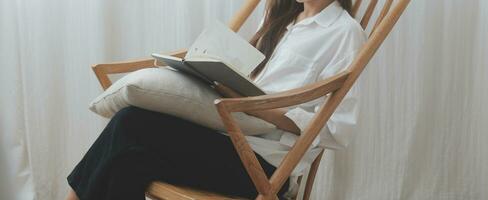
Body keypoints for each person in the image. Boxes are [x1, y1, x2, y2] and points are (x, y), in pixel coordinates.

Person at [66, 0, 366, 199]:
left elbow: (336, 129)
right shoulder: (284, 17)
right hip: (225, 138)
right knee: (126, 162)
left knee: (131, 122)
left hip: (265, 166)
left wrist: (255, 107)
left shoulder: (344, 33)